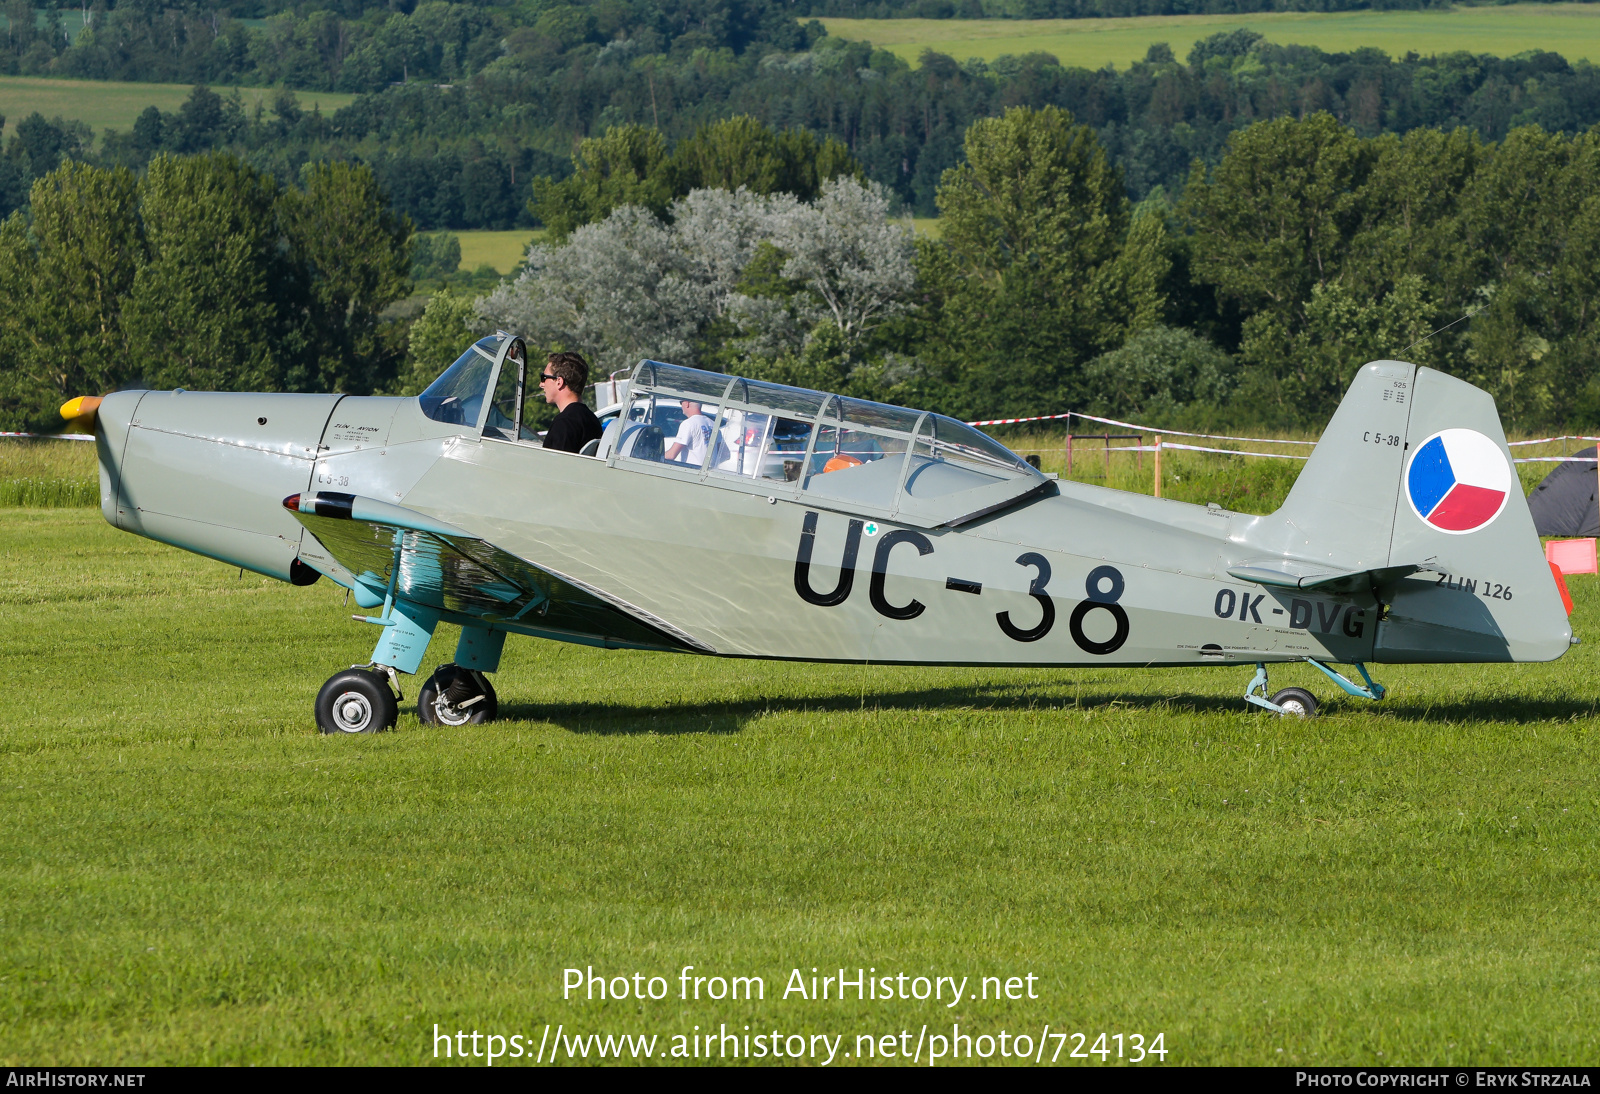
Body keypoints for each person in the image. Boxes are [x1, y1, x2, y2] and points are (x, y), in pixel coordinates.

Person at [539, 351, 603, 454]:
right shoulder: (592, 420)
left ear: (559, 382)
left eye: (544, 378)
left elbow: (555, 467)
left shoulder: (564, 423)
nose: (541, 384)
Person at [663, 399, 726, 467]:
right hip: (709, 472)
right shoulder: (713, 424)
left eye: (681, 402)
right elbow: (725, 454)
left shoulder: (688, 424)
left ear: (687, 403)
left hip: (691, 471)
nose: (681, 405)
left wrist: (655, 458)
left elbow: (671, 455)